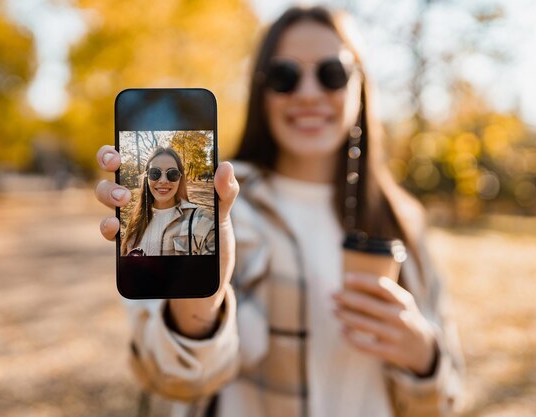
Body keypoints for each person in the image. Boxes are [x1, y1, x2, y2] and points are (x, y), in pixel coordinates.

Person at [95, 6, 464, 417]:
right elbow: (175, 380)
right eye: (285, 76)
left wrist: (422, 354)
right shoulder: (223, 207)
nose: (308, 93)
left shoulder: (403, 218)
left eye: (331, 74)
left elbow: (447, 398)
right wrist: (202, 300)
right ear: (261, 91)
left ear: (360, 86)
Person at [121, 146, 215, 256]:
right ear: (147, 177)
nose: (163, 181)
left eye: (172, 174)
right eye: (155, 173)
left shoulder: (203, 221)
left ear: (180, 178)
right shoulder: (134, 220)